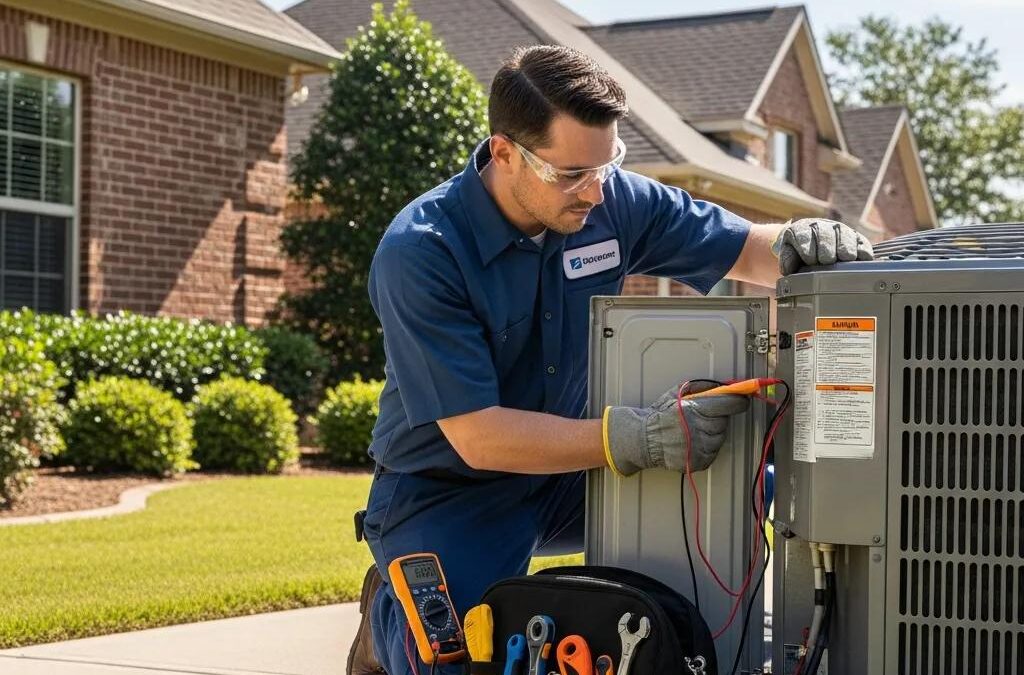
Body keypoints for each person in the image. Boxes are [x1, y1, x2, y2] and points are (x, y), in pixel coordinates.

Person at [353, 45, 872, 674]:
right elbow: (481, 438)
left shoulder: (612, 199)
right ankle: (388, 617)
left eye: (609, 163)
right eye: (571, 173)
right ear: (504, 153)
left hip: (568, 475)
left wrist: (800, 241)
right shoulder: (423, 251)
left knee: (747, 480)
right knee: (463, 663)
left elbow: (746, 251)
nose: (596, 190)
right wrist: (633, 435)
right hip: (446, 494)